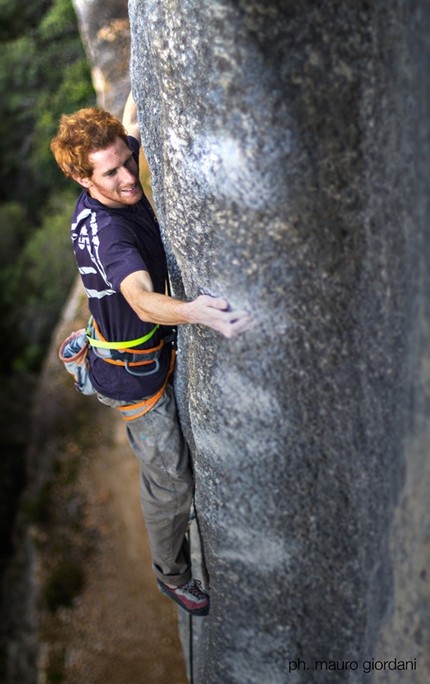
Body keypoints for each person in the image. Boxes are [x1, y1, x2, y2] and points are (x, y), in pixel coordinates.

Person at [50, 93, 252, 617]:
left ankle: (84, 357)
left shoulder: (116, 164)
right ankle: (172, 576)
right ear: (83, 181)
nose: (127, 179)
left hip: (130, 337)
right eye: (110, 173)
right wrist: (198, 313)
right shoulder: (110, 232)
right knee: (171, 481)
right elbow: (140, 299)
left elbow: (131, 117)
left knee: (116, 323)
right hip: (134, 376)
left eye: (125, 160)